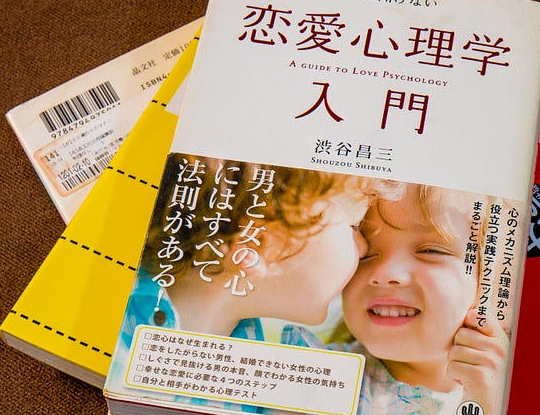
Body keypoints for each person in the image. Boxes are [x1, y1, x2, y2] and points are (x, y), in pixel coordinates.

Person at [113, 154, 395, 389]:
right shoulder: (120, 333)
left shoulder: (251, 360)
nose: (363, 248)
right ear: (260, 242)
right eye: (354, 227)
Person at [286, 183, 511, 415]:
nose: (385, 273)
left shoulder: (522, 397)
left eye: (430, 251)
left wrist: (491, 413)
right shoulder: (316, 379)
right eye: (367, 253)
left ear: (496, 283)